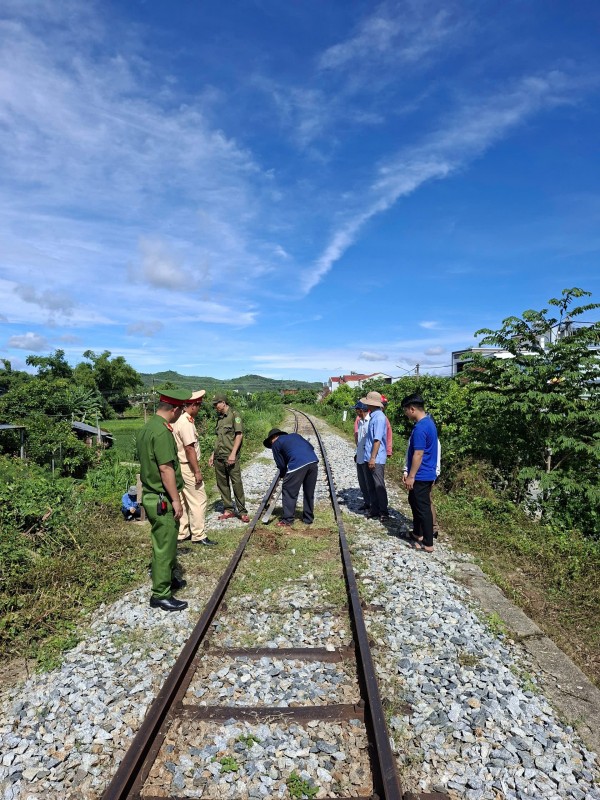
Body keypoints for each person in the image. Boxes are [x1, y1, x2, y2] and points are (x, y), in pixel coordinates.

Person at [136, 390, 190, 612]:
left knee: (167, 543)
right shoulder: (161, 432)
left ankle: (168, 578)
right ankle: (161, 594)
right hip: (162, 498)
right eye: (180, 411)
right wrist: (176, 501)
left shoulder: (147, 427)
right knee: (164, 546)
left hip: (151, 494)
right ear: (175, 410)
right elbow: (166, 469)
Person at [172, 390, 217, 547]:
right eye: (198, 406)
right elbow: (189, 449)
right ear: (193, 406)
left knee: (183, 500)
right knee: (199, 500)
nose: (199, 409)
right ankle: (198, 534)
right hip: (188, 467)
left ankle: (182, 532)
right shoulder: (186, 423)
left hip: (178, 466)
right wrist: (197, 471)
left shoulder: (177, 419)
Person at [401, 393, 440, 554]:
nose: (405, 414)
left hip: (421, 475)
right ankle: (417, 533)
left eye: (405, 411)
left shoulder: (421, 428)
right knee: (414, 501)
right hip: (424, 473)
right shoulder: (429, 423)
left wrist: (411, 476)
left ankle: (428, 543)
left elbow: (418, 454)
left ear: (412, 409)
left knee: (422, 507)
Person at [263, 428, 319, 527]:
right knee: (309, 492)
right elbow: (311, 447)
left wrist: (283, 475)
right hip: (313, 461)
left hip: (298, 463)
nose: (272, 446)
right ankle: (308, 519)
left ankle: (287, 520)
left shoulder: (276, 443)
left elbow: (281, 464)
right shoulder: (295, 435)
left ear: (273, 438)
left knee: (288, 490)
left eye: (270, 443)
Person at [208, 394, 250, 523]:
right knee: (222, 484)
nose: (215, 407)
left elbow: (239, 435)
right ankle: (228, 510)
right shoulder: (220, 419)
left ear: (223, 402)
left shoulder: (234, 415)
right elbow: (219, 439)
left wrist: (233, 454)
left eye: (216, 404)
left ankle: (242, 511)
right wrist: (213, 454)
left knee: (236, 483)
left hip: (230, 456)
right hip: (219, 456)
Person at [360, 390, 389, 520]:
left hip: (375, 458)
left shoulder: (379, 418)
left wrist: (373, 458)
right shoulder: (374, 416)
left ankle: (383, 511)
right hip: (369, 456)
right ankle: (374, 509)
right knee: (371, 485)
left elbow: (377, 440)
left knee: (378, 485)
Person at [353, 401, 371, 512]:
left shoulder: (370, 422)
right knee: (362, 481)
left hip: (367, 457)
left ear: (361, 410)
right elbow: (359, 440)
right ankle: (367, 502)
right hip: (359, 455)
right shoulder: (360, 422)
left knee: (369, 482)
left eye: (357, 410)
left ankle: (374, 504)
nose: (356, 412)